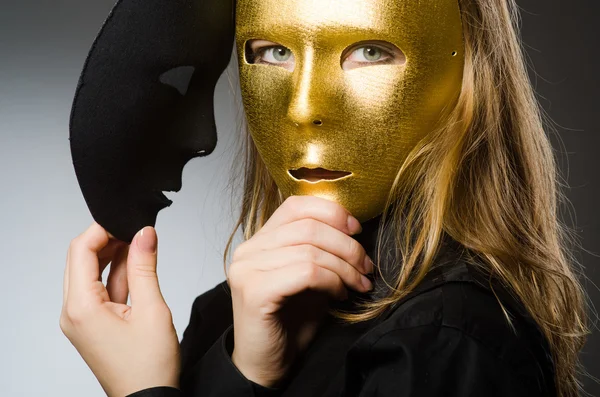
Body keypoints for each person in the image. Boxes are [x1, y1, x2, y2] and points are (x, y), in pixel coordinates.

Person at [60, 0, 588, 396]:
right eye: (275, 51)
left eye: (370, 50)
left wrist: (144, 392)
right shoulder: (230, 315)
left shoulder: (443, 341)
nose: (304, 106)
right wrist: (244, 370)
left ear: (468, 72)